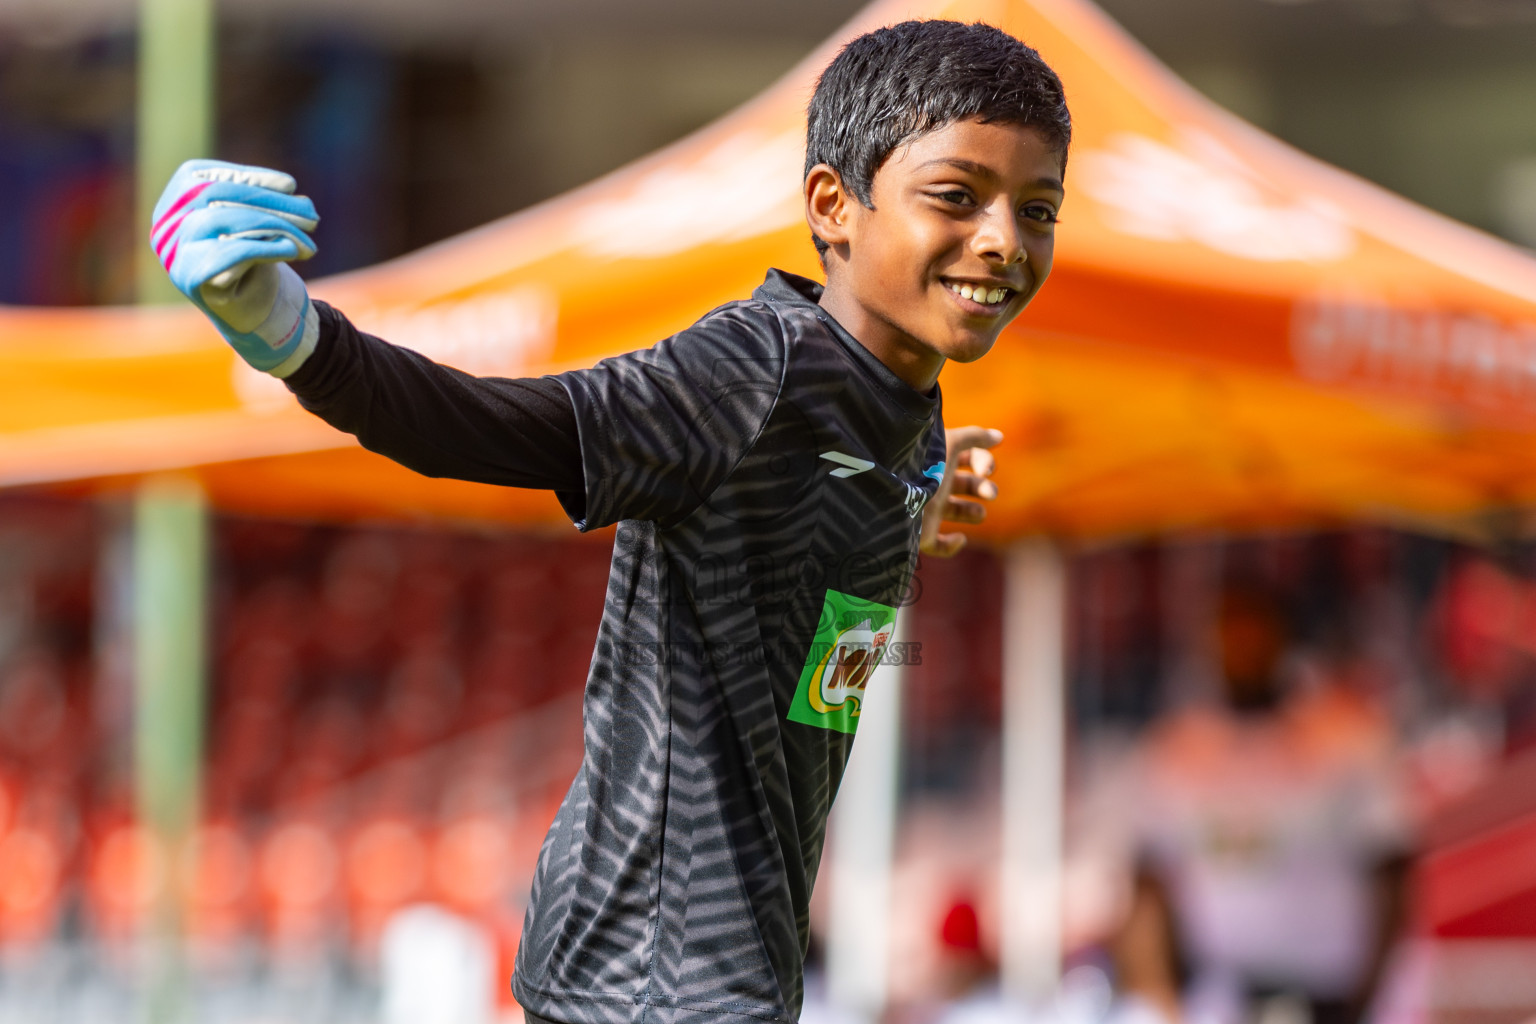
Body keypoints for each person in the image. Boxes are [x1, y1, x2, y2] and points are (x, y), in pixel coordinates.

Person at [150, 20, 1071, 1024]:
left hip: (724, 981)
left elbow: (819, 621)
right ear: (833, 206)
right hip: (646, 983)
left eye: (1037, 208)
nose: (1002, 239)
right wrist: (288, 336)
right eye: (956, 194)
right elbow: (499, 428)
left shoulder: (902, 404)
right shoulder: (751, 375)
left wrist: (912, 501)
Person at [1105, 582, 1412, 1024]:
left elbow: (1392, 875)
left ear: (1284, 638)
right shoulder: (1174, 750)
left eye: (1255, 633)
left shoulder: (1349, 740)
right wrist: (1158, 991)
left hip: (1328, 991)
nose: (1243, 649)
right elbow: (1148, 887)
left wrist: (1368, 994)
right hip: (1217, 993)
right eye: (1231, 634)